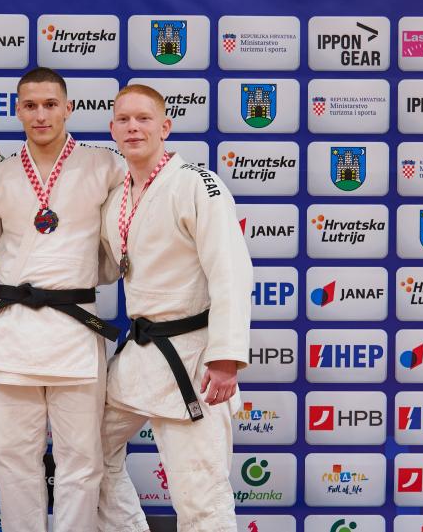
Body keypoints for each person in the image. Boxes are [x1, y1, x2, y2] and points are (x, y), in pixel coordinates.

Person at [0, 67, 123, 532]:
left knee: (81, 458)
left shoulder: (104, 165)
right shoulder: (0, 175)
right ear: (18, 110)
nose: (41, 115)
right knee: (12, 456)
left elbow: (121, 238)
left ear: (68, 108)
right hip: (14, 330)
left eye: (50, 105)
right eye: (31, 106)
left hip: (75, 327)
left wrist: (89, 273)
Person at [97, 85, 252, 532]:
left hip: (193, 359)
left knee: (201, 496)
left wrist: (225, 358)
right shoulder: (117, 196)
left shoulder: (198, 185)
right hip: (140, 353)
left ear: (165, 127)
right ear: (112, 129)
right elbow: (106, 264)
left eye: (144, 118)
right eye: (124, 120)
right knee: (86, 457)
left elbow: (231, 271)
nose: (133, 127)